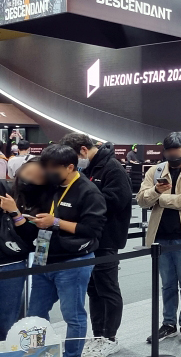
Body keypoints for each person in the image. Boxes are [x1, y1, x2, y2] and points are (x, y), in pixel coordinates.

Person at [20, 145, 107, 357]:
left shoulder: (88, 191)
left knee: (73, 315)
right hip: (43, 255)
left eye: (53, 168)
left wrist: (55, 222)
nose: (47, 172)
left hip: (73, 261)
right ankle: (37, 353)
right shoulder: (50, 185)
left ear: (69, 167)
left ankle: (72, 355)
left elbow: (92, 230)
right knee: (35, 314)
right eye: (45, 167)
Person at [59, 133, 132, 356]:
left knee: (108, 287)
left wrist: (84, 199)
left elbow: (118, 201)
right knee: (93, 289)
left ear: (83, 150)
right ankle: (98, 334)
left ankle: (110, 337)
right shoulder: (88, 168)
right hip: (87, 239)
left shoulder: (112, 168)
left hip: (107, 239)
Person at [136, 132, 181, 345]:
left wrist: (160, 198)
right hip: (160, 237)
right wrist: (155, 191)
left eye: (176, 153)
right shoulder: (155, 171)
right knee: (167, 284)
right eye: (169, 152)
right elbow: (141, 200)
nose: (172, 156)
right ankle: (168, 323)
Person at [0, 157, 51, 342]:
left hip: (16, 262)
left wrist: (15, 213)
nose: (29, 179)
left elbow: (35, 239)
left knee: (11, 316)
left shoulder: (44, 201)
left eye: (37, 178)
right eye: (28, 173)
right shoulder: (3, 187)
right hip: (14, 260)